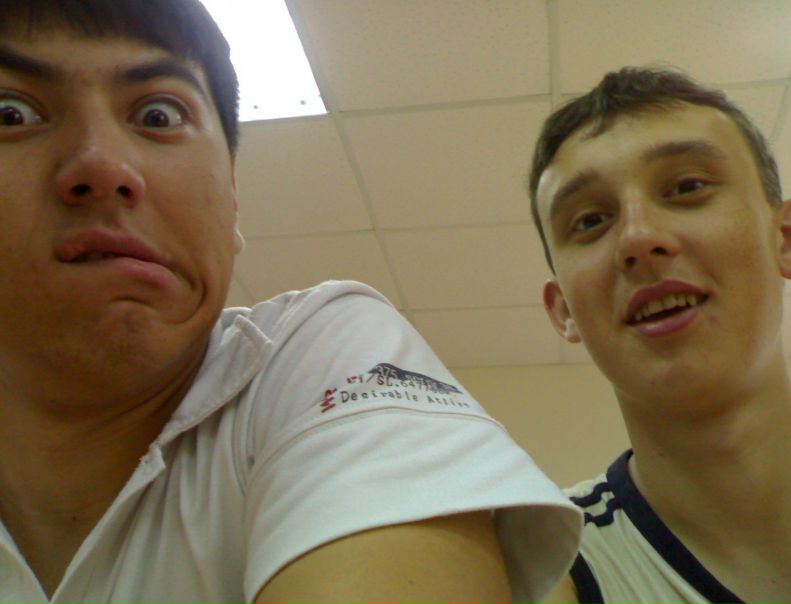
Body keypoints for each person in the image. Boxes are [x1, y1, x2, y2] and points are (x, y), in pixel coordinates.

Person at [0, 1, 583, 602]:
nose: (102, 165)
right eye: (10, 113)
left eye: (158, 114)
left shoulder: (316, 350)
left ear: (232, 199)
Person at [527, 66, 791, 603]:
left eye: (688, 187)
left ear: (788, 239)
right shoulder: (543, 568)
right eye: (590, 220)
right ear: (564, 311)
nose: (638, 238)